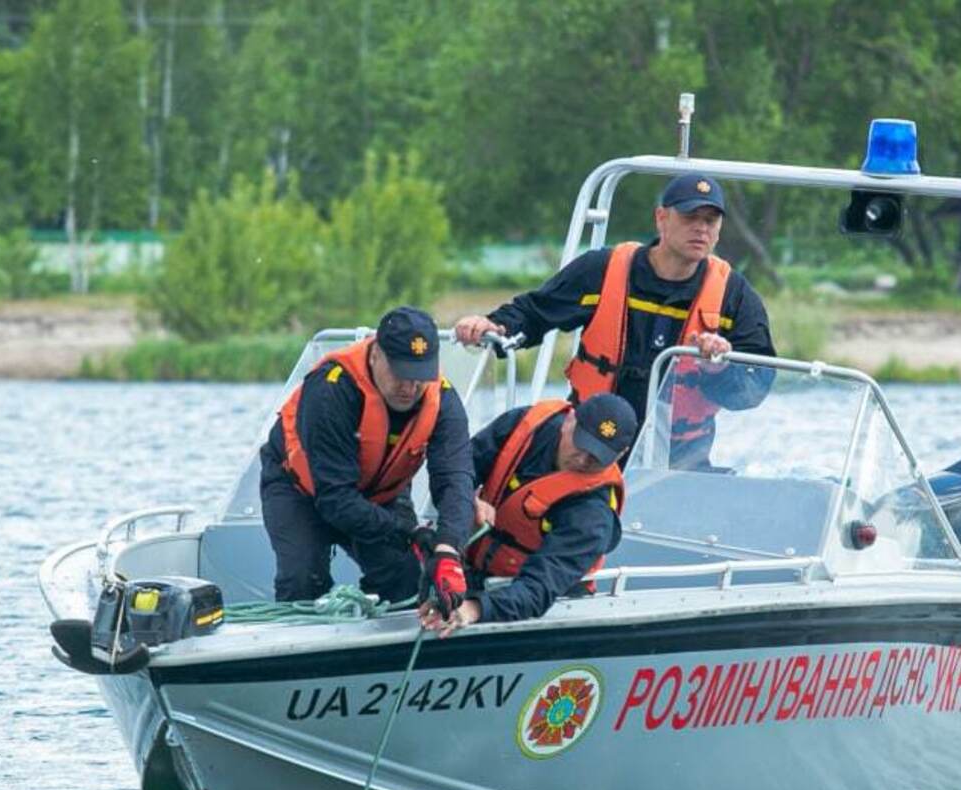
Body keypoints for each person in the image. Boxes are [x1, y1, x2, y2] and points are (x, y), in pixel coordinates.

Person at [451, 173, 776, 466]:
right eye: (691, 216)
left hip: (680, 459)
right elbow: (536, 310)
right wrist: (493, 326)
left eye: (711, 220)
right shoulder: (601, 271)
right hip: (589, 443)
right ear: (661, 218)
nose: (701, 228)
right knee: (517, 440)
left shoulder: (734, 296)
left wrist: (719, 367)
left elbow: (756, 384)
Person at [260, 306, 474, 610]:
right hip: (300, 489)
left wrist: (448, 549)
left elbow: (456, 478)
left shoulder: (443, 401)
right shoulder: (330, 389)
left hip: (381, 493)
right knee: (302, 579)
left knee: (410, 577)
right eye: (400, 373)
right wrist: (408, 532)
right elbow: (335, 499)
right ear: (375, 354)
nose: (409, 387)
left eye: (419, 375)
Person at [420, 393, 636, 638]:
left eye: (598, 457)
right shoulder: (524, 425)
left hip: (544, 600)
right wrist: (467, 501)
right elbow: (455, 473)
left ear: (620, 455)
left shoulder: (593, 515)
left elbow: (538, 590)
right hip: (476, 571)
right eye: (581, 444)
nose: (583, 460)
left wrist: (474, 609)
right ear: (569, 420)